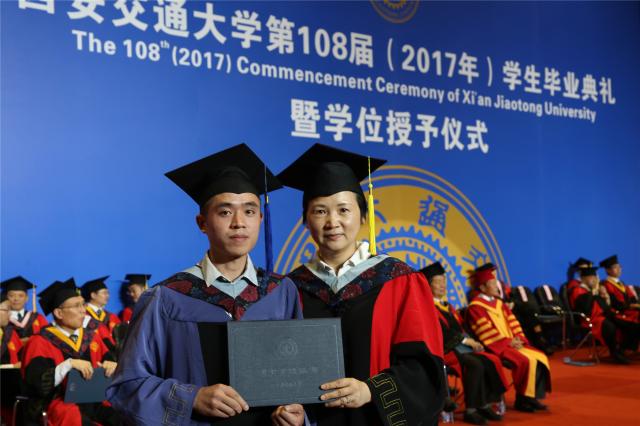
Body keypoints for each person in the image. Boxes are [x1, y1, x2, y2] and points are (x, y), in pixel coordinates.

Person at [107, 144, 305, 426]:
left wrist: (297, 412)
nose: (239, 223)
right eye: (225, 212)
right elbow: (127, 386)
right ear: (202, 223)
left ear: (261, 219)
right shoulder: (167, 297)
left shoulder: (280, 291)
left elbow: (299, 377)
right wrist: (191, 399)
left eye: (250, 211)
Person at [278, 143, 445, 426]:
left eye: (344, 209)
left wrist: (370, 390)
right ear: (305, 220)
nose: (332, 222)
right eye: (319, 211)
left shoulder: (398, 279)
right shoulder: (291, 288)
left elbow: (424, 369)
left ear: (364, 215)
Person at [21, 278, 119, 425]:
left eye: (83, 304)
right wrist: (68, 365)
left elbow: (109, 360)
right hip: (58, 404)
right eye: (76, 306)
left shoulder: (92, 337)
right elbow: (36, 384)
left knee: (123, 415)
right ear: (59, 313)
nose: (83, 310)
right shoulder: (40, 342)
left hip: (94, 401)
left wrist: (113, 365)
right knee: (73, 416)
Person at [422, 262, 507, 425]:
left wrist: (474, 341)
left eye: (444, 281)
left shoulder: (448, 307)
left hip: (460, 348)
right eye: (438, 282)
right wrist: (466, 341)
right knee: (475, 364)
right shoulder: (427, 307)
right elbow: (441, 332)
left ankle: (484, 404)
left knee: (488, 359)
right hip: (443, 351)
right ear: (428, 285)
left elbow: (461, 328)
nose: (442, 285)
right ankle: (471, 410)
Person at [467, 266, 551, 413]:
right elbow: (485, 332)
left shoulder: (499, 304)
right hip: (496, 347)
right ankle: (522, 400)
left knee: (540, 357)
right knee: (525, 360)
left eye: (496, 283)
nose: (497, 286)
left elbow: (514, 323)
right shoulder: (476, 307)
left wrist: (519, 339)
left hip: (512, 344)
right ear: (482, 287)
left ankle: (531, 397)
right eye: (493, 284)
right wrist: (508, 342)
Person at [570, 265, 640, 364]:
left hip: (604, 315)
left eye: (595, 277)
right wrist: (594, 292)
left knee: (630, 324)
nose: (594, 280)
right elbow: (586, 308)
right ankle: (614, 352)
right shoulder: (578, 290)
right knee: (609, 326)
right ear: (584, 278)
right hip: (590, 319)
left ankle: (623, 349)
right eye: (591, 277)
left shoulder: (595, 290)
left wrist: (606, 297)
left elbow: (605, 307)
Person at [0, 276, 48, 343]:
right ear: (6, 298)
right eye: (11, 296)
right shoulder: (2, 319)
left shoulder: (38, 318)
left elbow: (47, 339)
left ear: (26, 298)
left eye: (21, 296)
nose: (16, 299)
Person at [599, 255, 640, 323]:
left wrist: (635, 304)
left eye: (619, 266)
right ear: (608, 270)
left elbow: (630, 297)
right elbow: (613, 302)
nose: (619, 269)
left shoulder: (621, 283)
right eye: (615, 267)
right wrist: (630, 306)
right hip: (619, 313)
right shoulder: (605, 284)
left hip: (629, 310)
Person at [0, 299, 22, 366]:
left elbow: (20, 356)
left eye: (10, 310)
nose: (10, 313)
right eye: (7, 310)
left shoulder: (10, 333)